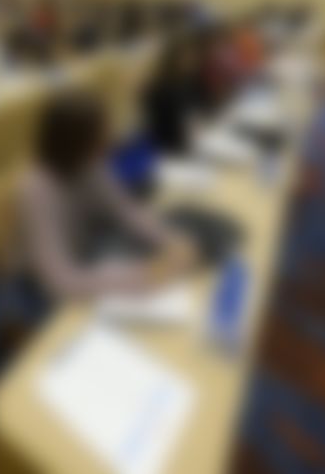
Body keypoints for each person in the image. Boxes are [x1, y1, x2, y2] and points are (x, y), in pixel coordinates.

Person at [17, 90, 196, 300]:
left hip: (82, 263)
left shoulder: (88, 164)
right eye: (99, 135)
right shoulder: (36, 190)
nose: (109, 139)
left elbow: (126, 210)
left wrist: (171, 240)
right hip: (39, 289)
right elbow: (59, 280)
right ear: (72, 142)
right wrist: (141, 275)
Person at [142, 36, 202, 155]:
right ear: (173, 60)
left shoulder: (186, 81)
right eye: (186, 58)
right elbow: (164, 129)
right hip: (169, 148)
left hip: (189, 138)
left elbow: (192, 111)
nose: (191, 61)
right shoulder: (160, 89)